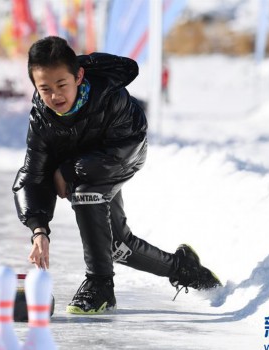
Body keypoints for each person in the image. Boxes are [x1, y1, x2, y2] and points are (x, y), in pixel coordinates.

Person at [12, 36, 220, 315]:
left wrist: (67, 170)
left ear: (78, 76)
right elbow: (33, 173)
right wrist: (39, 230)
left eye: (62, 85)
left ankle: (100, 285)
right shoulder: (41, 116)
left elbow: (122, 149)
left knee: (85, 188)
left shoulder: (110, 96)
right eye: (45, 89)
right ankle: (183, 268)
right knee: (116, 245)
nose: (55, 96)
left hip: (123, 155)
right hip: (85, 165)